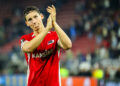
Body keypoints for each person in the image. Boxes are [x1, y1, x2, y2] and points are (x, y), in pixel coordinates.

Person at [19, 5, 72, 86]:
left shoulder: (54, 35)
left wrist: (54, 23)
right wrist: (47, 28)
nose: (34, 21)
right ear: (27, 23)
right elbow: (28, 48)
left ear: (41, 16)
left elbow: (68, 45)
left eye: (35, 17)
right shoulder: (26, 38)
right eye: (30, 19)